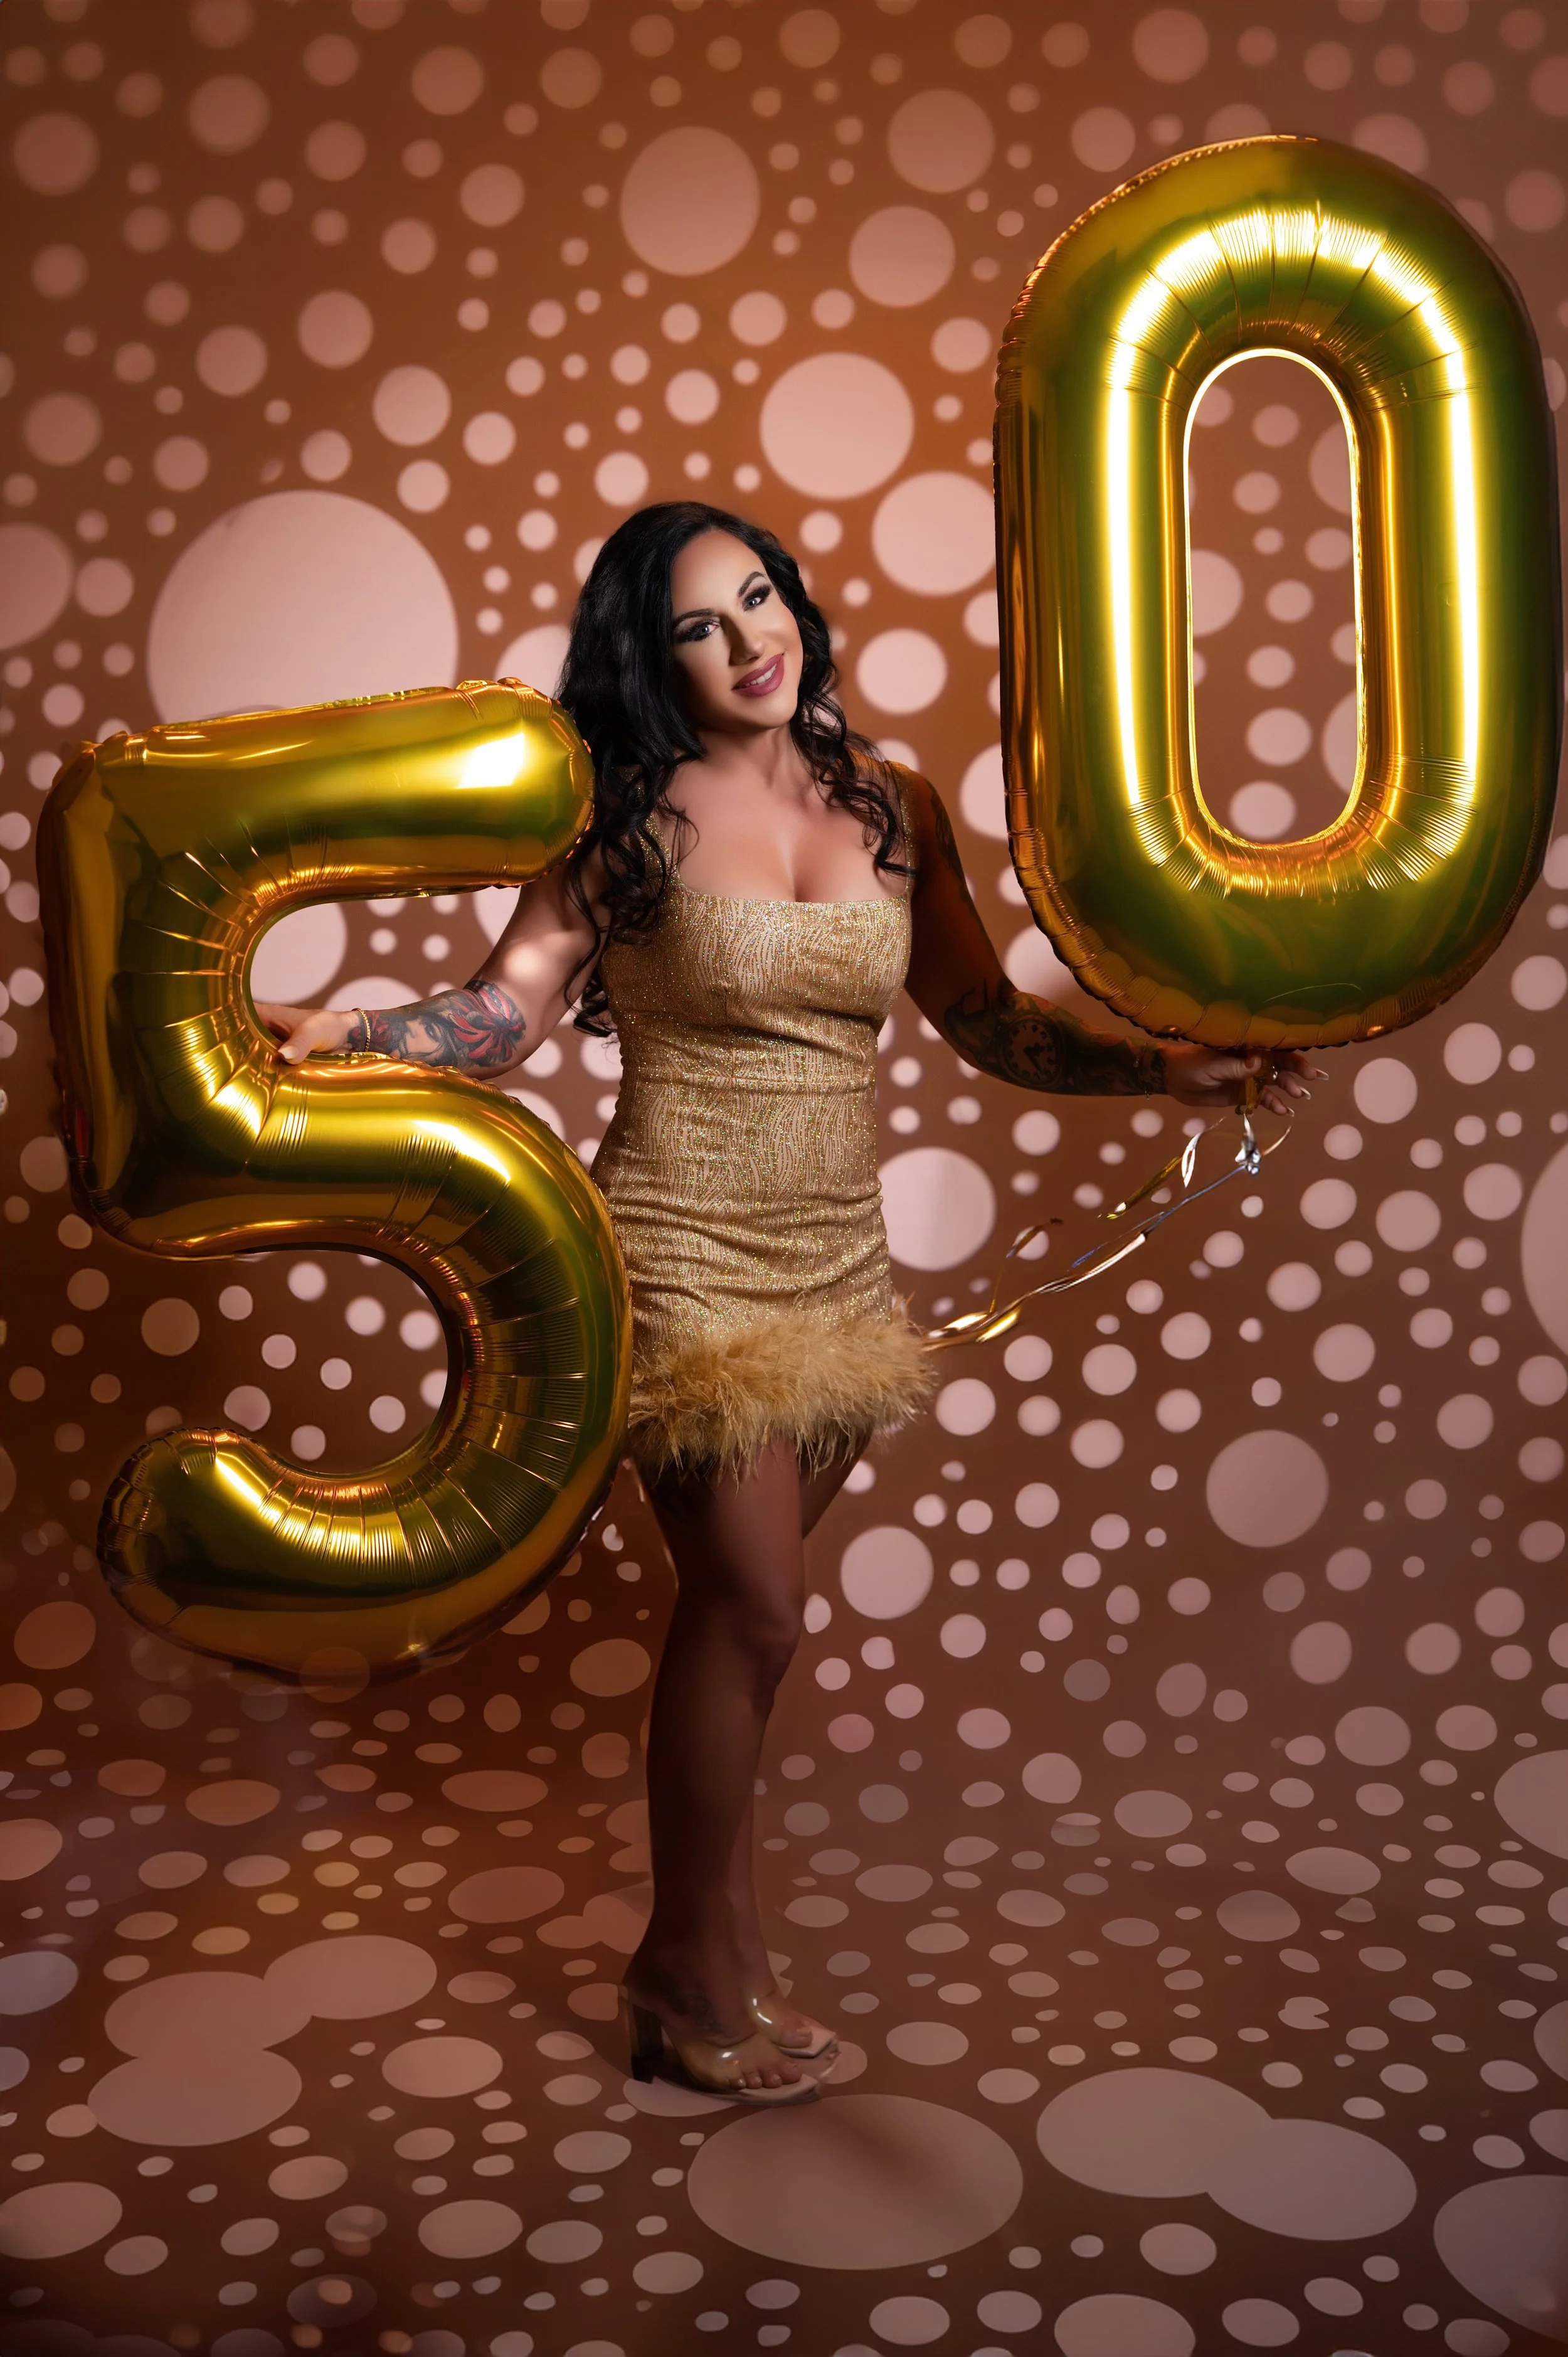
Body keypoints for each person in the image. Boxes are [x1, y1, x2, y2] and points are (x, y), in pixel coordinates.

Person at [260, 501, 1314, 2102]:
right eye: (699, 624)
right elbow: (500, 1015)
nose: (748, 640)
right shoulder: (618, 818)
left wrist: (1170, 1071)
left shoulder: (891, 803)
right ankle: (689, 1970)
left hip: (837, 1260)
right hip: (675, 1246)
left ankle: (705, 1962)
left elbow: (977, 1017)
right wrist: (348, 1035)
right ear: (652, 656)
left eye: (757, 600)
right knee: (755, 1609)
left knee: (741, 1643)